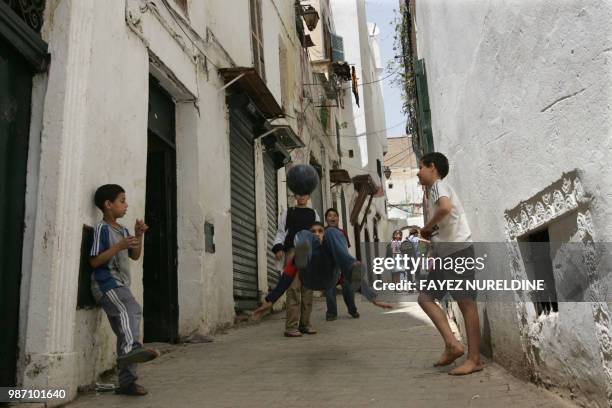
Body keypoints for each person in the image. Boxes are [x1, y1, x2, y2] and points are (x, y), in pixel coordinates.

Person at [416, 152, 483, 376]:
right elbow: (444, 220)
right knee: (425, 298)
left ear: (432, 167)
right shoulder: (433, 192)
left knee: (466, 304)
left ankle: (474, 360)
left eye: (421, 167)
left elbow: (445, 209)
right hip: (447, 255)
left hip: (458, 252)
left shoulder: (437, 186)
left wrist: (426, 227)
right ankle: (452, 345)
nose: (418, 172)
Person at [90, 184, 160, 396]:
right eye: (122, 200)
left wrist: (139, 235)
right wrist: (117, 247)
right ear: (108, 205)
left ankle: (127, 383)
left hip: (120, 285)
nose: (126, 205)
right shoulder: (102, 229)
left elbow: (135, 255)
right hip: (106, 283)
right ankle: (131, 349)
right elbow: (94, 261)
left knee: (126, 330)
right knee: (132, 310)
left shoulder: (124, 230)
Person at [252, 223, 393, 319]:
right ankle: (303, 257)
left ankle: (351, 263)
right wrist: (270, 300)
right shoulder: (308, 241)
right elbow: (287, 275)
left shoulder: (331, 245)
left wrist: (372, 298)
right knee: (303, 234)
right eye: (314, 231)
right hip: (308, 276)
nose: (317, 234)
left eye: (320, 231)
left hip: (329, 278)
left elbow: (351, 276)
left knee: (333, 231)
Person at [272, 193, 320, 337]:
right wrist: (279, 248)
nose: (302, 197)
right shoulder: (288, 212)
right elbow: (281, 232)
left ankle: (305, 324)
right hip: (292, 252)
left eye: (305, 194)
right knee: (293, 288)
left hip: (309, 252)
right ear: (295, 196)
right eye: (299, 194)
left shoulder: (314, 214)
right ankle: (291, 327)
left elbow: (317, 234)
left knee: (308, 289)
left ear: (309, 196)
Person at [323, 208, 359, 320]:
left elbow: (344, 248)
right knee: (330, 289)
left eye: (335, 215)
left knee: (348, 288)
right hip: (329, 264)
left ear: (338, 218)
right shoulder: (323, 232)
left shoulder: (342, 232)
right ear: (326, 219)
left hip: (342, 262)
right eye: (329, 215)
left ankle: (352, 310)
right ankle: (331, 313)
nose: (332, 217)